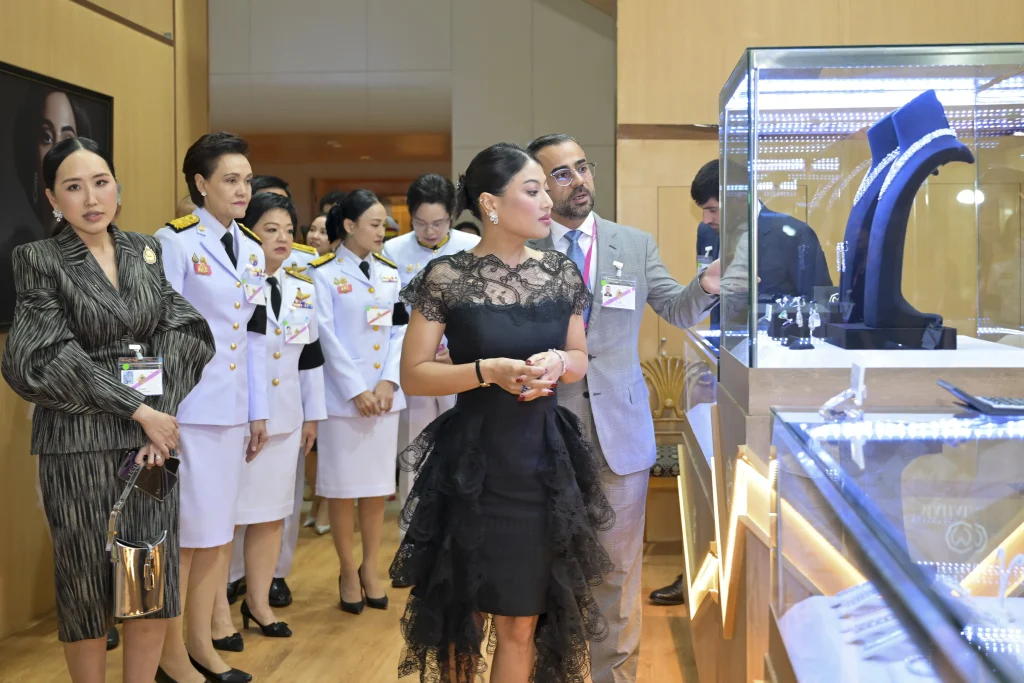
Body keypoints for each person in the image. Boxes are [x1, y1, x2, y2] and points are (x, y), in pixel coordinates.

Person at [390, 142, 614, 683]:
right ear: (491, 204)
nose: (548, 201)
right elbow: (414, 373)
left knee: (522, 621)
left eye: (547, 189)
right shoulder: (447, 277)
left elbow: (580, 359)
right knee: (459, 616)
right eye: (533, 190)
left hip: (542, 463)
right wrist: (485, 370)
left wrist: (558, 362)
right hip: (472, 465)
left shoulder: (561, 274)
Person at [1, 136, 215, 683]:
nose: (91, 198)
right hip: (76, 443)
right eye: (73, 187)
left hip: (151, 449)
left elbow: (186, 330)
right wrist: (137, 408)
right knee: (86, 581)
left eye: (100, 183)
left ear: (117, 187)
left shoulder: (145, 250)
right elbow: (44, 355)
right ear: (52, 198)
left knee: (146, 575)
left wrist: (159, 416)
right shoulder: (39, 259)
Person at [527, 133, 721, 683]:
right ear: (539, 186)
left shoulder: (631, 245)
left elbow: (678, 309)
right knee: (547, 573)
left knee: (615, 574)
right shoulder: (523, 248)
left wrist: (706, 283)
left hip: (621, 433)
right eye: (562, 173)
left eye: (583, 167)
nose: (580, 180)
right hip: (543, 432)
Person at [155, 132, 269, 683]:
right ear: (200, 185)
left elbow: (251, 336)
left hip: (231, 411)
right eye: (230, 179)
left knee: (215, 537)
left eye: (247, 179)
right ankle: (170, 654)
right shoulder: (173, 242)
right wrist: (151, 411)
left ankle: (200, 641)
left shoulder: (249, 248)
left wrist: (259, 410)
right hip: (185, 413)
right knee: (182, 540)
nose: (243, 189)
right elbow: (149, 333)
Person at [216, 192, 327, 645]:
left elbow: (310, 357)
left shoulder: (302, 285)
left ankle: (257, 603)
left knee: (271, 517)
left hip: (286, 420)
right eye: (269, 230)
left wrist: (313, 417)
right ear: (247, 234)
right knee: (229, 519)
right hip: (240, 420)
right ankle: (215, 615)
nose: (282, 239)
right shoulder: (235, 283)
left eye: (287, 230)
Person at [310, 190, 408, 615]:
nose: (381, 231)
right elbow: (325, 338)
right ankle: (347, 569)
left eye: (384, 223)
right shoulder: (323, 274)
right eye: (373, 223)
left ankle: (371, 568)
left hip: (384, 400)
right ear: (349, 226)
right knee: (341, 490)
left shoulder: (390, 273)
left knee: (374, 491)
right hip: (342, 401)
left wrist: (387, 381)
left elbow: (400, 332)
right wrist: (357, 388)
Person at [381, 173, 480, 568]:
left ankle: (461, 542)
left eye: (438, 223)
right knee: (415, 453)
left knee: (464, 450)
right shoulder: (391, 250)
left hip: (459, 365)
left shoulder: (471, 247)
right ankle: (415, 545)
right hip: (416, 368)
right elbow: (390, 317)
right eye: (420, 222)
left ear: (452, 217)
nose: (428, 230)